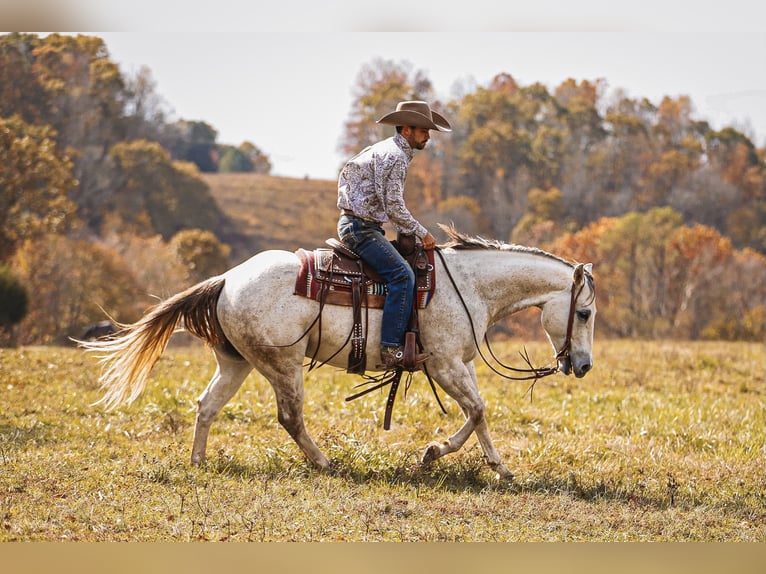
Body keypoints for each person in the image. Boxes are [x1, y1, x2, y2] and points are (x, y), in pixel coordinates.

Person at [336, 100, 452, 369]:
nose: (428, 136)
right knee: (402, 275)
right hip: (361, 228)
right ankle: (391, 348)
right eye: (423, 130)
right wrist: (422, 234)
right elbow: (394, 206)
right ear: (407, 130)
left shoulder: (386, 151)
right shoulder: (396, 157)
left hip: (361, 225)